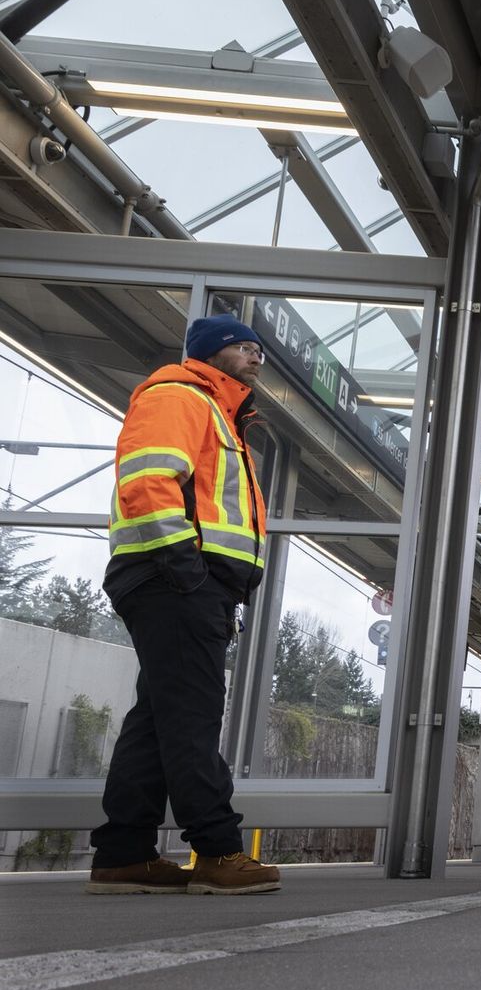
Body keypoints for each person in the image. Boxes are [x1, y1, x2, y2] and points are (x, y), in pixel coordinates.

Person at [86, 314, 282, 895]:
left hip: (180, 581)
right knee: (192, 714)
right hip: (172, 577)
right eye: (244, 348)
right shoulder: (180, 394)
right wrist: (188, 572)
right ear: (210, 353)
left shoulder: (221, 413)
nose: (255, 359)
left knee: (157, 717)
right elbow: (147, 480)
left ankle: (123, 853)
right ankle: (218, 851)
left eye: (259, 352)